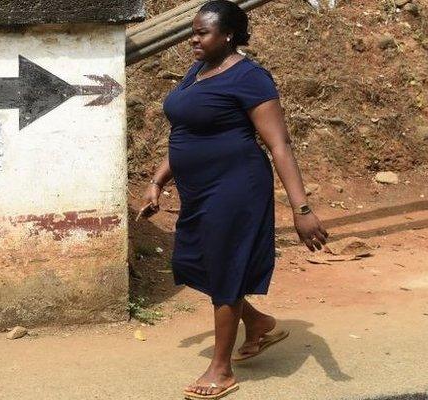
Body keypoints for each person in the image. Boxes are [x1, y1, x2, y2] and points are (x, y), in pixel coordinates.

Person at [138, 1, 330, 398]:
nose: (193, 38)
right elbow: (187, 131)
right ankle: (258, 324)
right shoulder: (199, 70)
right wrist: (158, 180)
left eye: (202, 32)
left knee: (224, 266)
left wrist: (302, 209)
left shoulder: (252, 78)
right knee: (195, 262)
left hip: (236, 188)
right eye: (192, 31)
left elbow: (279, 146)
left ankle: (220, 370)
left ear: (227, 36)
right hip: (198, 189)